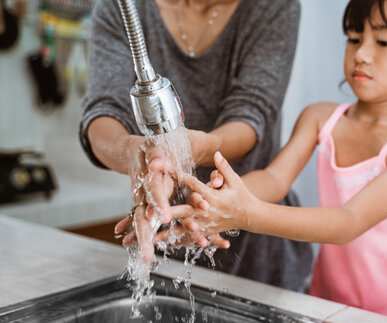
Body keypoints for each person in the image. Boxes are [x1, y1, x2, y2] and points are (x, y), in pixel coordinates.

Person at [172, 0, 387, 323]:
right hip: (326, 306)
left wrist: (246, 214)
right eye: (354, 38)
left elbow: (348, 222)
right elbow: (273, 179)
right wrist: (211, 201)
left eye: (383, 42)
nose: (362, 54)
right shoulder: (320, 118)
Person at [80, 0, 314, 292]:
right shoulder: (124, 6)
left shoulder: (273, 6)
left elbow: (251, 113)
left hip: (260, 257)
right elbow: (104, 111)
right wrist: (135, 154)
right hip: (164, 239)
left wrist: (189, 150)